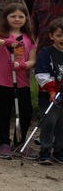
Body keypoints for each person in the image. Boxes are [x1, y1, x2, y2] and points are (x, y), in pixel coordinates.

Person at [0, 4, 37, 159]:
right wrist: (5, 42)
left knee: (24, 114)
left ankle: (20, 143)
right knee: (2, 113)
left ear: (26, 19)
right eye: (13, 16)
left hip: (21, 82)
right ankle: (5, 142)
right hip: (1, 82)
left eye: (20, 16)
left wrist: (22, 65)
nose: (17, 19)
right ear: (6, 18)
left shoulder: (29, 37)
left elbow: (32, 60)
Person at [34, 18, 63, 164]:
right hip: (49, 95)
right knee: (49, 122)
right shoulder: (46, 53)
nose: (62, 39)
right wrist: (51, 91)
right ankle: (45, 149)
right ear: (51, 36)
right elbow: (41, 74)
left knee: (62, 124)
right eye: (59, 35)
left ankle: (59, 151)